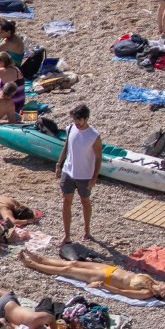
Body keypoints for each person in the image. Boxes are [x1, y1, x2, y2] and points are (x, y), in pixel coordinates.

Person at [18, 249, 165, 302]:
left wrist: (102, 285)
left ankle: (32, 264)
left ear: (163, 293)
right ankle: (41, 259)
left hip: (105, 278)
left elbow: (122, 292)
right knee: (73, 264)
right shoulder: (154, 282)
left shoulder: (146, 293)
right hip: (110, 270)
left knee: (67, 271)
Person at [52, 103, 103, 243]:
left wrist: (94, 178)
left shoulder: (94, 136)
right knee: (66, 201)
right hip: (68, 171)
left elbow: (98, 158)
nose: (76, 123)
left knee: (85, 201)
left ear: (86, 118)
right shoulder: (70, 128)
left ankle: (87, 231)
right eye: (74, 120)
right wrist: (59, 164)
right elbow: (66, 146)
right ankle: (67, 235)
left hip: (85, 175)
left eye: (78, 120)